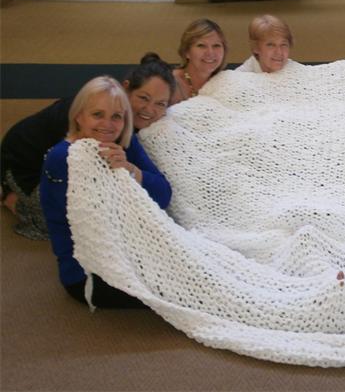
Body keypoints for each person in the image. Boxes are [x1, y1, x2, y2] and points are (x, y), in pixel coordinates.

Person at [0, 53, 175, 240]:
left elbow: (163, 194)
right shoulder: (80, 125)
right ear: (126, 88)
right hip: (24, 162)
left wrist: (131, 169)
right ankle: (8, 196)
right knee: (72, 226)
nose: (149, 109)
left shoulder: (125, 129)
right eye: (143, 98)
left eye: (160, 104)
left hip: (60, 167)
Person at [40, 76, 172, 309]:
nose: (107, 125)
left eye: (116, 117)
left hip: (138, 252)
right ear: (79, 116)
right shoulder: (64, 157)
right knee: (183, 294)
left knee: (209, 265)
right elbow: (95, 225)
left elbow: (164, 195)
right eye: (97, 114)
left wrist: (130, 169)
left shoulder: (124, 143)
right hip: (89, 272)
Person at [172, 18, 228, 102]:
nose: (210, 52)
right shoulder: (169, 83)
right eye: (201, 45)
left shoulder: (227, 83)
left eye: (216, 45)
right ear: (186, 51)